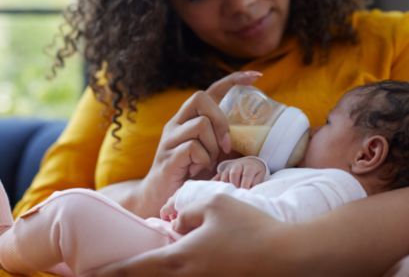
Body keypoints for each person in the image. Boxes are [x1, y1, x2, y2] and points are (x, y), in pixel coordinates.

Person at [9, 0, 409, 275]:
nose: (241, 1)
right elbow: (32, 220)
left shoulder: (390, 43)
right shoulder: (123, 81)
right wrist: (150, 191)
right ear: (163, 2)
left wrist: (279, 248)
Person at [1, 80, 409, 276]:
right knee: (81, 243)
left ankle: (7, 246)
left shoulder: (339, 188)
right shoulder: (322, 185)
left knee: (72, 212)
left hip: (189, 248)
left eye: (327, 124)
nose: (314, 132)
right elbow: (281, 205)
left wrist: (205, 188)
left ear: (368, 153)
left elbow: (259, 224)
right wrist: (252, 171)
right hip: (168, 238)